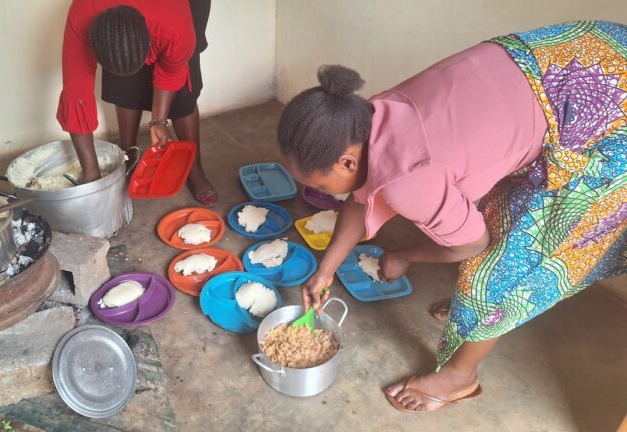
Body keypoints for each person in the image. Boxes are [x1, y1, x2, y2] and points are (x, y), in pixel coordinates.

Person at [277, 20, 627, 413]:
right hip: (572, 55)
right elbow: (360, 193)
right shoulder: (367, 116)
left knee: (496, 271)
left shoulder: (408, 181)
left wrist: (405, 254)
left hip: (607, 104)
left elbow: (472, 244)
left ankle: (460, 377)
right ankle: (469, 321)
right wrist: (327, 269)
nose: (325, 194)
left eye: (323, 186)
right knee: (487, 205)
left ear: (345, 160)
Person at [57, 0, 218, 206]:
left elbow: (171, 71)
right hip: (117, 21)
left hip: (176, 11)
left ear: (151, 41)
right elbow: (76, 96)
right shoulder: (83, 15)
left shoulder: (175, 26)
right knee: (124, 87)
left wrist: (158, 122)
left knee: (183, 96)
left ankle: (195, 168)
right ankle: (128, 157)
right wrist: (91, 173)